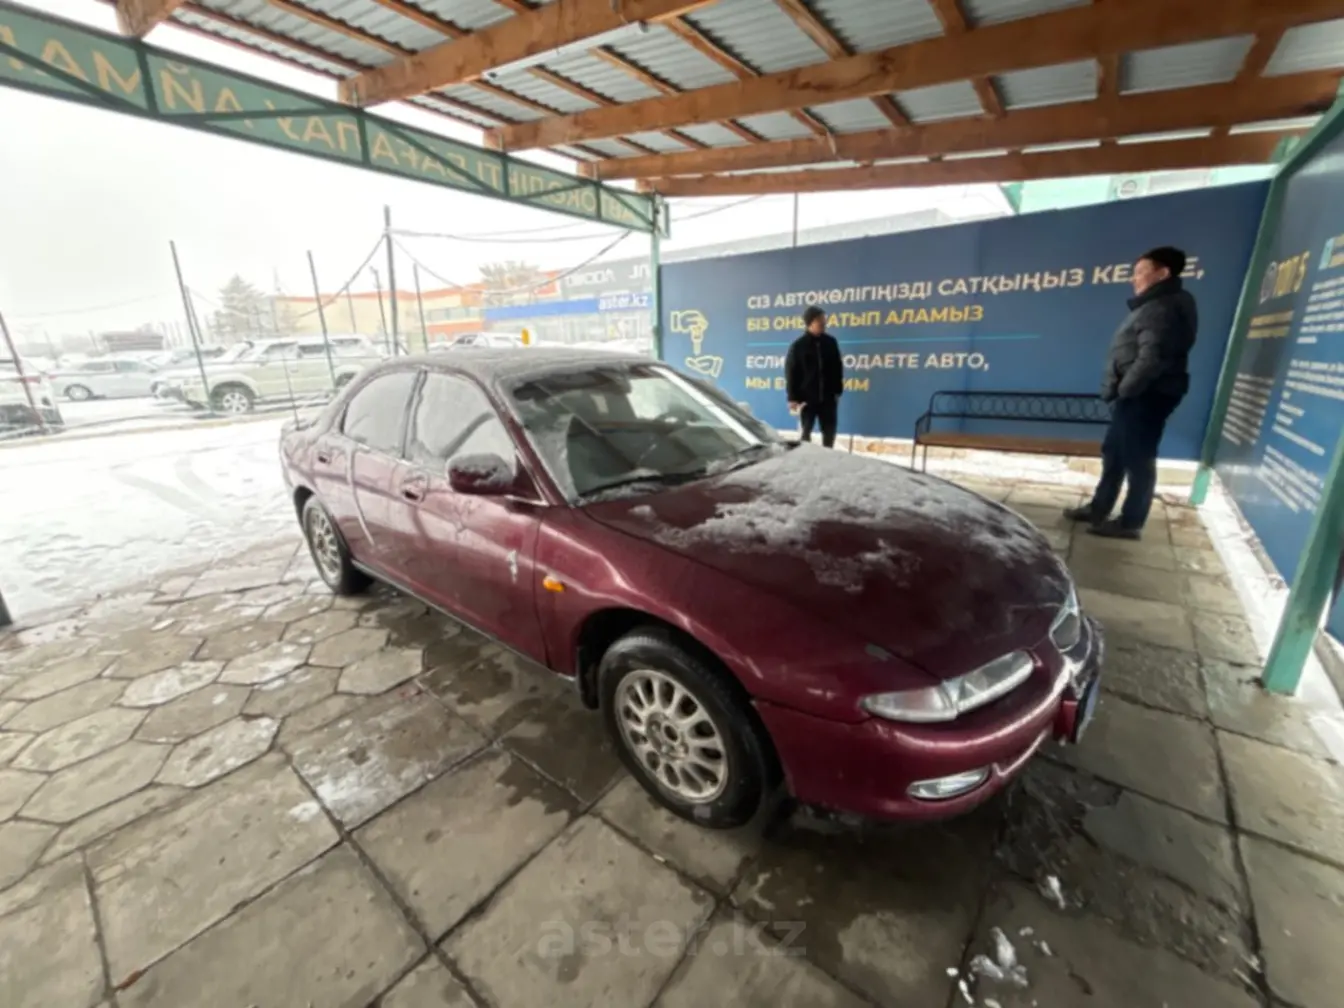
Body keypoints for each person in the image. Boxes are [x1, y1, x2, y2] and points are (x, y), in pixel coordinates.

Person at [1065, 246, 1198, 539]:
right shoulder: (1156, 305)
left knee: (1138, 457)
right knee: (1115, 452)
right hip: (1138, 394)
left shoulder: (1164, 307)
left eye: (1140, 272)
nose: (1133, 279)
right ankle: (1099, 507)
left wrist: (1126, 389)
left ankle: (1130, 522)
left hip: (1146, 395)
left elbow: (1152, 357)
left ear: (1162, 273)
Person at [785, 306, 844, 447]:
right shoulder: (798, 346)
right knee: (805, 434)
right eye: (819, 320)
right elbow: (791, 372)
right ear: (810, 323)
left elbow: (838, 367)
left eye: (824, 319)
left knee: (829, 433)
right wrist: (792, 398)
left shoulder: (831, 342)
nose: (823, 323)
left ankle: (828, 456)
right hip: (807, 399)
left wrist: (837, 390)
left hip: (828, 398)